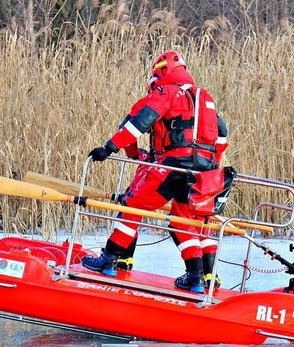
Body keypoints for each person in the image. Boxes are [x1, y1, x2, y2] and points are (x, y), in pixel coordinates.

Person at [81, 49, 228, 293]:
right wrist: (211, 162)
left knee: (132, 205)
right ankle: (197, 277)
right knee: (183, 218)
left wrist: (109, 148)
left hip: (173, 166)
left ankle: (110, 259)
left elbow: (138, 123)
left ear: (161, 73)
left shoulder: (166, 92)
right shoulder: (204, 98)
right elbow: (221, 135)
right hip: (204, 172)